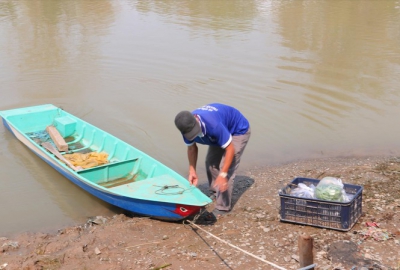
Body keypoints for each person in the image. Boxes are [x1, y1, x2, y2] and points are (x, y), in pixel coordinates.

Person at [174, 103, 251, 217]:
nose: (194, 135)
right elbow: (191, 148)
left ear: (196, 119)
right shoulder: (185, 128)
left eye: (195, 130)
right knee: (210, 163)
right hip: (217, 133)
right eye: (191, 134)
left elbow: (230, 149)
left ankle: (223, 207)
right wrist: (192, 170)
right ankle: (216, 192)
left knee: (226, 168)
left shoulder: (213, 125)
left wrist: (223, 174)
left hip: (237, 130)